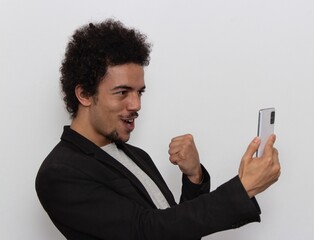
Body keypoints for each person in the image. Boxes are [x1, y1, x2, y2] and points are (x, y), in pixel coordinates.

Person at [35, 19, 280, 240]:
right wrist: (242, 188)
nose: (136, 105)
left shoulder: (137, 156)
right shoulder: (59, 173)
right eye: (122, 92)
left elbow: (176, 229)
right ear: (84, 94)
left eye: (139, 92)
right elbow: (147, 231)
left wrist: (194, 178)